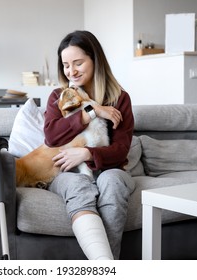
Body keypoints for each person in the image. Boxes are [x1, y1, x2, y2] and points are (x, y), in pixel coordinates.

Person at [44, 30, 135, 260]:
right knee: (78, 185)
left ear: (95, 60)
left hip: (110, 170)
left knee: (112, 182)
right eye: (65, 65)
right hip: (65, 171)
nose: (71, 71)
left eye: (78, 63)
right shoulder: (58, 96)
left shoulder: (119, 98)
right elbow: (52, 137)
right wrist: (91, 112)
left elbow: (121, 150)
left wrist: (86, 153)